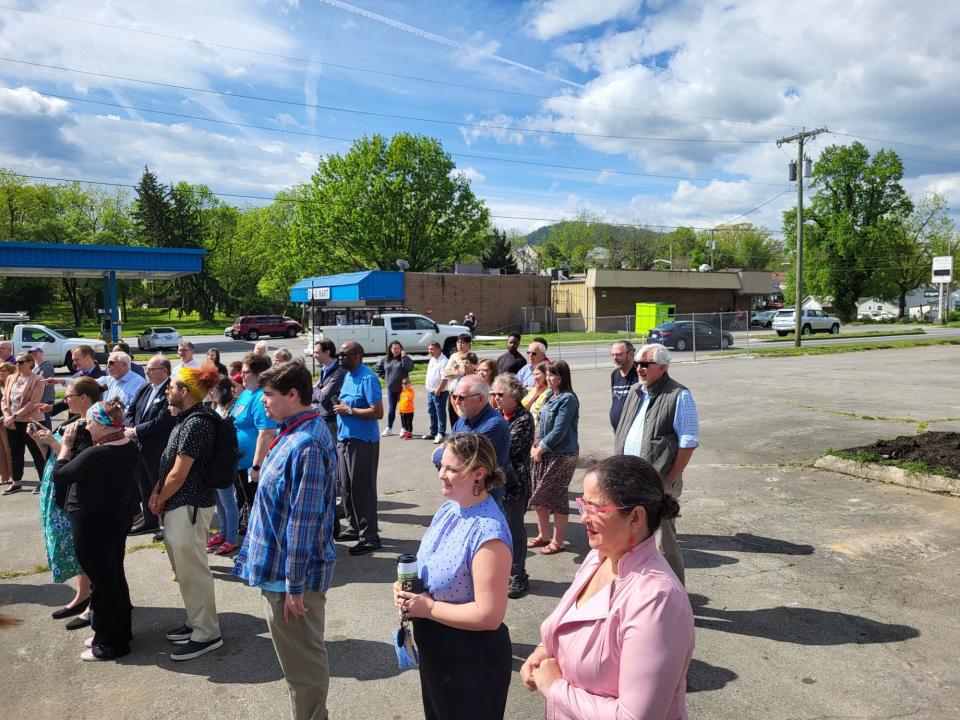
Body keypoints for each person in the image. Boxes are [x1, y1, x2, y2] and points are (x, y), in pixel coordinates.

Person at [520, 455, 694, 719]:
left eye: (595, 508)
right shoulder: (599, 557)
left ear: (635, 517)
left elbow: (634, 717)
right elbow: (570, 627)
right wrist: (542, 652)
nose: (583, 519)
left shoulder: (657, 600)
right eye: (582, 505)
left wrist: (554, 687)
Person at [233, 362, 338, 720]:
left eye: (269, 396)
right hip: (282, 576)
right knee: (297, 666)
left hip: (291, 582)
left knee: (303, 668)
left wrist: (294, 587)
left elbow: (303, 522)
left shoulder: (306, 442)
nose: (262, 402)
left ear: (293, 395)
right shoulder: (292, 430)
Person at [394, 433, 513, 720]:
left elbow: (489, 615)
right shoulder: (450, 508)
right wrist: (404, 588)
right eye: (441, 466)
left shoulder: (489, 533)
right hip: (438, 650)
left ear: (478, 474)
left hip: (470, 659)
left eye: (451, 469)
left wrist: (429, 608)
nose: (441, 475)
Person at [53, 399, 141, 661]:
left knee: (102, 583)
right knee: (114, 577)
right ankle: (115, 632)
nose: (87, 425)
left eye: (91, 421)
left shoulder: (97, 454)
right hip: (115, 517)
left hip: (93, 523)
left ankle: (111, 644)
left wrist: (66, 446)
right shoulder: (128, 446)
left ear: (103, 426)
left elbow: (61, 474)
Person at [149, 364, 224, 661]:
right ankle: (195, 622)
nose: (167, 390)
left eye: (172, 386)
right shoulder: (186, 419)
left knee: (193, 572)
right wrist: (159, 492)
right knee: (184, 571)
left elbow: (179, 474)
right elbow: (170, 465)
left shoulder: (197, 424)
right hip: (178, 504)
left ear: (184, 392)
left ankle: (207, 633)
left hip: (189, 506)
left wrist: (158, 499)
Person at [614, 343, 699, 585]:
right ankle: (635, 592)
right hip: (628, 480)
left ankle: (674, 597)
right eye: (638, 363)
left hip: (659, 481)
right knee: (629, 539)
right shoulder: (635, 391)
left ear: (662, 367)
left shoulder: (679, 395)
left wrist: (669, 480)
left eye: (645, 364)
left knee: (663, 542)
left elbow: (688, 443)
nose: (639, 368)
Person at [26, 377, 103, 627]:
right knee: (72, 547)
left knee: (83, 548)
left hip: (75, 495)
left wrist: (52, 441)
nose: (64, 401)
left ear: (83, 398)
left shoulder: (92, 425)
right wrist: (41, 440)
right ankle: (82, 595)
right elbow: (52, 458)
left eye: (68, 396)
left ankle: (95, 602)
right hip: (58, 489)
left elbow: (75, 461)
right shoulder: (73, 420)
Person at [332, 341, 384, 556]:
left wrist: (349, 410)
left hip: (363, 442)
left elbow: (377, 412)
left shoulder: (368, 377)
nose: (340, 358)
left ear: (358, 356)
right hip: (344, 439)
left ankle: (370, 536)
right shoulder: (348, 376)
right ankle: (354, 528)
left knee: (363, 490)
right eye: (339, 354)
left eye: (345, 355)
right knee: (346, 488)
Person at [433, 375, 511, 506]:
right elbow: (451, 455)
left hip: (484, 499)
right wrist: (447, 456)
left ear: (480, 398)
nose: (456, 402)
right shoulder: (463, 420)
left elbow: (461, 462)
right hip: (463, 495)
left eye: (462, 397)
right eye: (454, 396)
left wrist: (437, 455)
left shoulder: (494, 425)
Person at [528, 361, 580, 556]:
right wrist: (535, 445)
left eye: (553, 375)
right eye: (548, 375)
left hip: (562, 454)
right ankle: (543, 535)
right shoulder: (550, 395)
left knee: (556, 496)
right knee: (539, 495)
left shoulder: (568, 399)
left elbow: (559, 430)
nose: (548, 378)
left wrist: (541, 448)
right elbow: (540, 422)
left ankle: (558, 542)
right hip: (542, 452)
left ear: (563, 377)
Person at [491, 373, 534, 599]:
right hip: (496, 483)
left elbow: (506, 449)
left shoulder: (524, 419)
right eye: (493, 394)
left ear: (514, 396)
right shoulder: (498, 416)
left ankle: (519, 576)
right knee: (499, 531)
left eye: (501, 394)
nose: (496, 399)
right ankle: (503, 573)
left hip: (515, 484)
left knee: (515, 531)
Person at [124, 356, 175, 540]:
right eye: (147, 368)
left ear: (164, 371)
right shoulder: (145, 388)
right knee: (143, 484)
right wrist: (130, 428)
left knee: (159, 486)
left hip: (158, 448)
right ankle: (150, 520)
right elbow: (130, 410)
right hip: (139, 447)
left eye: (152, 369)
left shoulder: (171, 390)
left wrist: (136, 430)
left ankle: (167, 524)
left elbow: (164, 420)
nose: (147, 372)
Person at [230, 353, 278, 539]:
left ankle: (264, 543)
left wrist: (257, 467)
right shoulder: (246, 394)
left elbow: (266, 432)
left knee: (259, 506)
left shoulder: (261, 397)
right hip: (241, 463)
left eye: (246, 372)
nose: (241, 376)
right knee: (249, 505)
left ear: (259, 374)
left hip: (253, 464)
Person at [2, 352, 46, 495]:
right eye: (17, 362)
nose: (17, 365)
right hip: (12, 422)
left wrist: (14, 416)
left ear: (30, 363)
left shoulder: (38, 379)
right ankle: (16, 483)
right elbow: (4, 399)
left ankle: (43, 482)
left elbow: (33, 402)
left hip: (29, 420)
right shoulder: (10, 378)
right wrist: (7, 416)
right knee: (15, 452)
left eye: (21, 362)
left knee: (36, 452)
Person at [376, 340, 413, 437]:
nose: (396, 350)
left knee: (403, 410)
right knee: (391, 409)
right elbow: (379, 368)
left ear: (401, 349)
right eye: (394, 348)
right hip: (391, 389)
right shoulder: (386, 359)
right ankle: (389, 428)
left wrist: (404, 357)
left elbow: (409, 368)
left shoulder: (405, 358)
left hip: (403, 390)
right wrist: (386, 378)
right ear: (390, 349)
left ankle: (403, 428)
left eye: (398, 348)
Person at [311, 339, 346, 441]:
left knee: (334, 453)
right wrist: (318, 390)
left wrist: (314, 387)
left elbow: (324, 398)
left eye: (317, 352)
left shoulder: (339, 371)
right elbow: (314, 396)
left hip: (332, 420)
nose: (314, 355)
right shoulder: (324, 369)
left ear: (327, 352)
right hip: (321, 416)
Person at [609, 341, 638, 431]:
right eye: (613, 355)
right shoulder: (615, 374)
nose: (615, 358)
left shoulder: (639, 374)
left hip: (633, 431)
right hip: (618, 431)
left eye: (618, 355)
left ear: (630, 354)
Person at [423, 342, 448, 443]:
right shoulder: (432, 359)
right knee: (432, 412)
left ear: (438, 349)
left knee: (440, 413)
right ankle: (433, 432)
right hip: (430, 392)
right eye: (429, 349)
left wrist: (438, 390)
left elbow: (444, 378)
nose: (429, 351)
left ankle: (441, 433)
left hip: (440, 392)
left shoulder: (444, 361)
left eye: (432, 349)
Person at [28, 346, 55, 431]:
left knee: (45, 422)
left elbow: (43, 379)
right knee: (39, 422)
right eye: (31, 353)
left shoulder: (47, 365)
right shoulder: (34, 366)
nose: (33, 354)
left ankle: (49, 442)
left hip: (45, 398)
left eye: (36, 352)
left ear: (41, 353)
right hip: (38, 398)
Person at [522, 362, 551, 436]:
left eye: (537, 374)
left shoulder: (550, 392)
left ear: (545, 375)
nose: (534, 377)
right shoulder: (535, 389)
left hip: (542, 432)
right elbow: (522, 407)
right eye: (533, 374)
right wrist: (535, 395)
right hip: (530, 430)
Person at [0, 362, 13, 486]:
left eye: (4, 371)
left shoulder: (12, 385)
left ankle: (14, 477)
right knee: (1, 451)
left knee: (9, 449)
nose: (1, 373)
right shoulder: (1, 387)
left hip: (10, 422)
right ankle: (3, 476)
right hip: (1, 421)